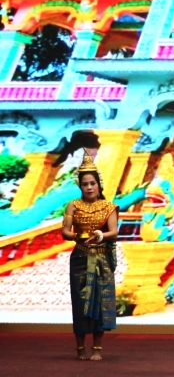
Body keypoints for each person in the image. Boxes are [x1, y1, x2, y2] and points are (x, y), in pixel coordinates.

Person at [62, 154, 118, 360]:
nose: (89, 187)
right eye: (85, 184)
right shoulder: (73, 206)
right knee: (80, 301)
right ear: (80, 186)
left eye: (92, 183)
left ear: (99, 184)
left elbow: (114, 232)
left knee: (100, 302)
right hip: (80, 258)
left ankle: (97, 348)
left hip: (101, 259)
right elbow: (65, 231)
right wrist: (76, 236)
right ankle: (80, 348)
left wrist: (100, 235)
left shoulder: (108, 207)